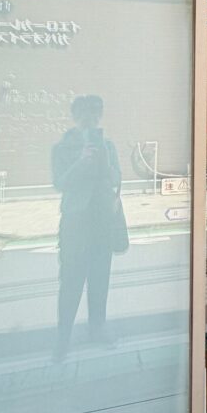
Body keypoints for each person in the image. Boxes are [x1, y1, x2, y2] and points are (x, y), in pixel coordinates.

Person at [51, 95, 125, 360]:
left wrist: (104, 160)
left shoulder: (107, 145)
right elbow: (60, 183)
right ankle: (63, 337)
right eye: (84, 114)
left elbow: (115, 178)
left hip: (102, 223)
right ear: (75, 116)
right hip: (75, 225)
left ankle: (98, 328)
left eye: (95, 114)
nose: (90, 119)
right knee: (70, 281)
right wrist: (81, 161)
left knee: (99, 280)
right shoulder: (62, 148)